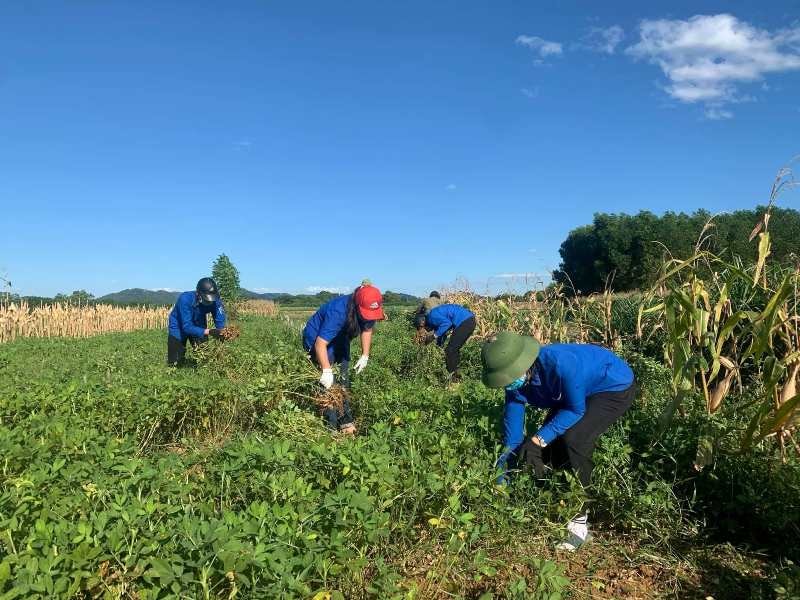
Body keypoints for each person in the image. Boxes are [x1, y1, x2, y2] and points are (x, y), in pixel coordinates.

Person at [481, 332, 635, 551]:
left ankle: (579, 526)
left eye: (509, 376)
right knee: (548, 451)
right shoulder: (514, 386)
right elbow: (513, 438)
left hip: (610, 386)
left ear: (523, 363)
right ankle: (557, 499)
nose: (508, 384)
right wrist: (501, 477)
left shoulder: (560, 365)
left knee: (574, 440)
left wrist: (537, 440)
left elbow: (575, 409)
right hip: (573, 393)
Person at [302, 283, 385, 433]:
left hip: (341, 338)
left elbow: (367, 328)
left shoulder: (370, 306)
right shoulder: (338, 311)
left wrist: (365, 355)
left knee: (343, 380)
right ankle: (330, 428)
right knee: (328, 385)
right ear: (357, 304)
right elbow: (320, 344)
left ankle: (345, 422)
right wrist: (326, 370)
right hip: (318, 339)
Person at [167, 277, 226, 366]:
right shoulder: (185, 299)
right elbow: (186, 326)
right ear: (198, 294)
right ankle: (177, 360)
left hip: (199, 323)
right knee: (175, 363)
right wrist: (210, 331)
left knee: (204, 360)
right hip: (178, 326)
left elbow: (219, 319)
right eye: (206, 299)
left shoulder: (215, 300)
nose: (210, 302)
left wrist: (222, 333)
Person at [416, 302, 476, 381]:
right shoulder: (433, 317)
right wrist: (439, 345)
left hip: (465, 321)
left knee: (450, 350)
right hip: (469, 320)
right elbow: (443, 332)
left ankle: (452, 376)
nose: (426, 331)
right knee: (454, 349)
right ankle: (457, 374)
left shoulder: (431, 317)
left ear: (423, 322)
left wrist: (433, 337)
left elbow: (447, 324)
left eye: (423, 328)